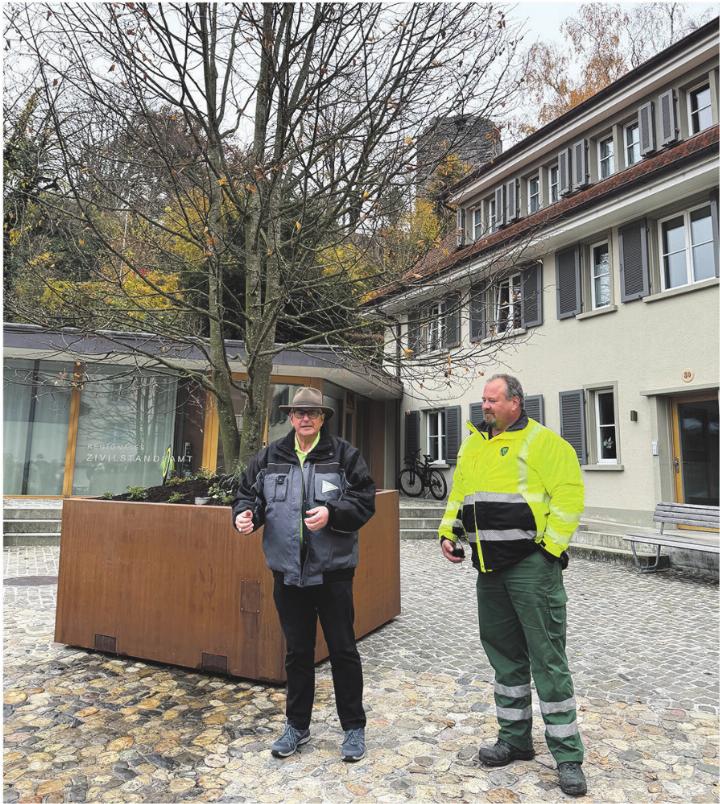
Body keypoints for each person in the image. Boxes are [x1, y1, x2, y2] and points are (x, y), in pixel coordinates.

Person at [439, 374, 587, 797]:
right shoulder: (473, 444)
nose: (484, 406)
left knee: (547, 659)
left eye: (492, 399)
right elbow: (460, 495)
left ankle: (568, 757)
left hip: (531, 569)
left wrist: (549, 550)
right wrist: (448, 533)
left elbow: (569, 498)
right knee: (504, 660)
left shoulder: (546, 444)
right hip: (488, 569)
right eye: (483, 400)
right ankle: (515, 739)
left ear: (515, 403)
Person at [232, 386, 375, 762]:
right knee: (297, 654)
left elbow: (364, 500)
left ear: (323, 417)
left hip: (333, 573)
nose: (306, 418)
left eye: (313, 413)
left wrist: (333, 514)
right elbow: (248, 495)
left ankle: (354, 728)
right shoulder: (269, 457)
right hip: (288, 574)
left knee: (343, 652)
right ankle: (297, 726)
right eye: (299, 413)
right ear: (291, 417)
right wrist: (245, 515)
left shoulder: (345, 456)